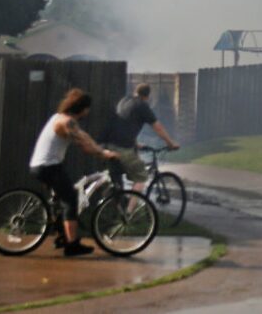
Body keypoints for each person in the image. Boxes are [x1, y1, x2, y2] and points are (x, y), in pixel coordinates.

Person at [28, 88, 118, 257]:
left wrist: (100, 149)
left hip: (42, 165)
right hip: (48, 166)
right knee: (71, 199)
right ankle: (72, 245)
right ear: (82, 108)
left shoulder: (60, 117)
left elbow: (84, 136)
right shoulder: (67, 122)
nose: (88, 111)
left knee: (63, 198)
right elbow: (84, 145)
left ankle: (62, 234)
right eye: (87, 108)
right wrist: (103, 154)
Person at [102, 83, 179, 192]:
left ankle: (116, 203)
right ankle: (129, 209)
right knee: (141, 176)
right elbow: (158, 127)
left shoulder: (125, 100)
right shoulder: (142, 106)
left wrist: (136, 143)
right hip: (122, 148)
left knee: (118, 179)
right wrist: (170, 143)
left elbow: (125, 122)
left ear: (135, 92)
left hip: (108, 144)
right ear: (147, 96)